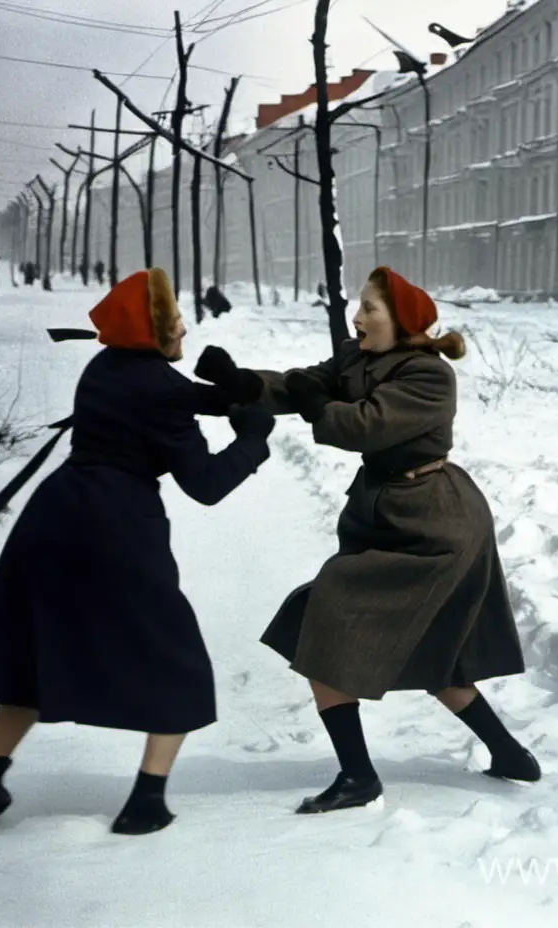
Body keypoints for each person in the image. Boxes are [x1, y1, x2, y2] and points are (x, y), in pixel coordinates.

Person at [193, 266, 540, 815]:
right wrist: (237, 387)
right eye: (358, 306)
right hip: (393, 516)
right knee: (432, 651)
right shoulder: (359, 358)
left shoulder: (428, 376)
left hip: (435, 524)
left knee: (325, 619)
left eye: (370, 309)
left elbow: (362, 426)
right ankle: (510, 754)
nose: (357, 316)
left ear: (400, 322)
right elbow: (298, 382)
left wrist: (314, 403)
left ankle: (358, 776)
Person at [0, 267, 276, 836]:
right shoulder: (164, 388)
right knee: (179, 665)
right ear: (152, 329)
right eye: (174, 318)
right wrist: (252, 441)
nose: (183, 325)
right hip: (117, 527)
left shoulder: (103, 366)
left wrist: (235, 396)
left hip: (52, 517)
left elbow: (166, 397)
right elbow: (204, 483)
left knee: (33, 651)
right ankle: (146, 802)